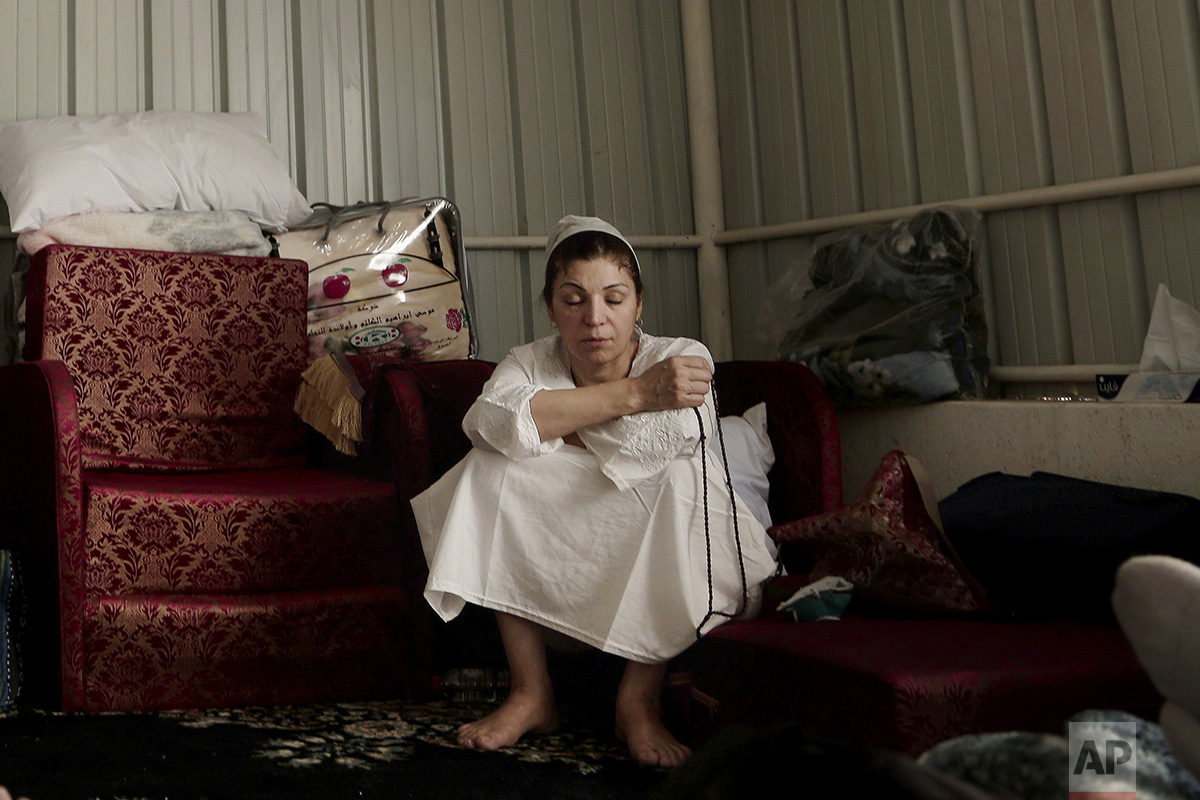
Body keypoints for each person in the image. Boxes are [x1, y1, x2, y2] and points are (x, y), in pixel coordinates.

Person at [412, 215, 778, 768]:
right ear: (552, 308)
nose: (595, 318)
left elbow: (656, 446)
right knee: (489, 469)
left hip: (661, 542)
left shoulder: (681, 355)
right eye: (574, 299)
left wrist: (556, 425)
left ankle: (637, 701)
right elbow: (489, 423)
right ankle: (532, 693)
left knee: (675, 480)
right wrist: (636, 393)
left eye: (613, 298)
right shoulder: (530, 361)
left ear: (639, 304)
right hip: (562, 550)